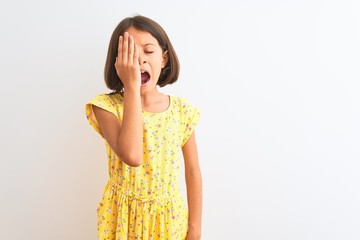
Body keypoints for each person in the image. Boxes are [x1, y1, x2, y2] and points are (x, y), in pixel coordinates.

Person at [85, 15, 202, 240]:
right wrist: (131, 86)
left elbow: (193, 171)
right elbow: (133, 155)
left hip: (169, 220)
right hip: (123, 220)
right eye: (130, 54)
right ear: (117, 63)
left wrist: (195, 229)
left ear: (164, 59)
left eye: (148, 52)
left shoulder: (181, 111)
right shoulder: (106, 107)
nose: (139, 61)